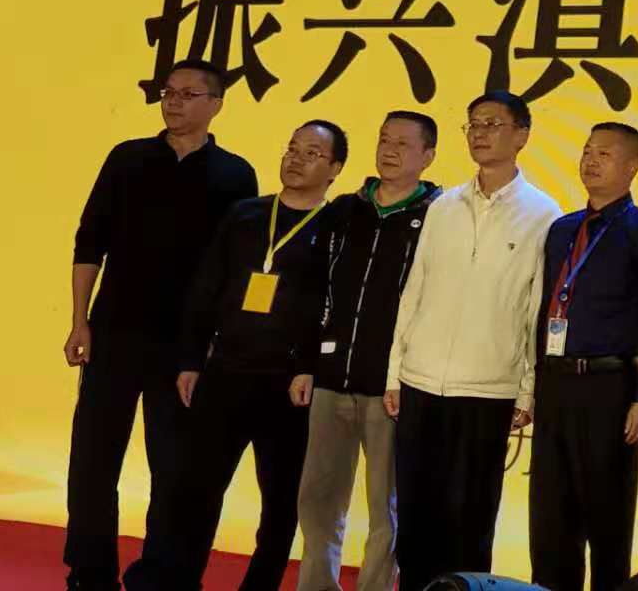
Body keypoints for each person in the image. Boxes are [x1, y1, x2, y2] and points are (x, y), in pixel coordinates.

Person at [127, 119, 348, 591]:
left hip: (288, 384)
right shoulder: (246, 213)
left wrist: (310, 366)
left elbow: (336, 307)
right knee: (195, 490)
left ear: (335, 169)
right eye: (292, 148)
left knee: (281, 501)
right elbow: (207, 286)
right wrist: (191, 358)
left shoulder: (337, 228)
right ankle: (176, 582)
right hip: (225, 371)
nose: (296, 159)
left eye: (312, 153)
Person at [63, 59, 257, 591]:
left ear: (216, 104)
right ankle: (89, 571)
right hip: (113, 331)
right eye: (168, 92)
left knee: (174, 467)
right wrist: (79, 321)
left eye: (189, 94)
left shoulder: (234, 175)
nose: (173, 102)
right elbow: (89, 240)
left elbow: (236, 268)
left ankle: (159, 575)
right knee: (93, 458)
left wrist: (214, 343)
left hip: (183, 345)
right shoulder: (127, 158)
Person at [384, 91, 563, 585]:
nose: (480, 133)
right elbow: (414, 290)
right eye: (473, 124)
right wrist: (395, 372)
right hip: (420, 382)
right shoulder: (442, 206)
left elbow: (536, 310)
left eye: (492, 124)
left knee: (469, 521)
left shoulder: (543, 214)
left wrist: (527, 390)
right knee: (415, 519)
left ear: (522, 135)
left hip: (488, 390)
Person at [292, 111, 443, 591]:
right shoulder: (343, 209)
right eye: (383, 140)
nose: (389, 150)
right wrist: (306, 365)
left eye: (403, 143)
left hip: (392, 388)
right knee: (317, 499)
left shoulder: (438, 217)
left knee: (387, 508)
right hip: (330, 378)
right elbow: (315, 291)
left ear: (427, 156)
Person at [529, 123, 638, 591]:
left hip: (609, 387)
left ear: (632, 166)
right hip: (555, 382)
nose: (591, 161)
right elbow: (542, 308)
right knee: (550, 518)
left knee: (607, 520)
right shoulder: (561, 229)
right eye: (588, 151)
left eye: (605, 154)